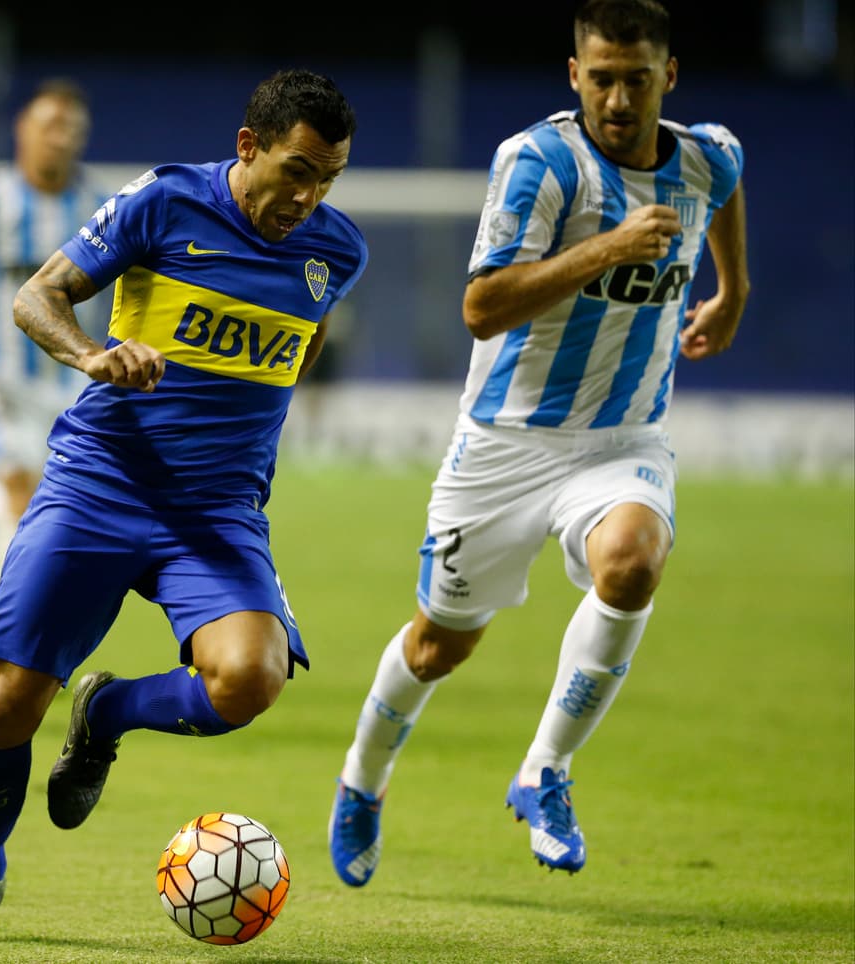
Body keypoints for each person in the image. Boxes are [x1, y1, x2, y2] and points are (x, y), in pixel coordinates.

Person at [0, 67, 367, 944]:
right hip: (103, 482)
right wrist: (94, 357)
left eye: (328, 179)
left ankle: (108, 714)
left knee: (250, 679)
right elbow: (34, 297)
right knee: (11, 701)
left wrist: (241, 440)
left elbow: (298, 351)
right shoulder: (164, 202)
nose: (308, 197)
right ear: (250, 149)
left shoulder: (336, 252)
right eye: (296, 171)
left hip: (216, 510)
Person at [328, 0, 749, 885]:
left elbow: (726, 184)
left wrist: (733, 287)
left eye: (638, 79)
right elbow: (481, 308)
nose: (619, 98)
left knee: (633, 562)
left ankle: (545, 770)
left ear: (668, 78)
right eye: (602, 77)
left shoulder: (708, 155)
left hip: (623, 438)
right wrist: (606, 249)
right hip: (504, 447)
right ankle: (362, 780)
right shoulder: (539, 162)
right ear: (574, 75)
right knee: (440, 644)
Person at [0, 77, 114, 584]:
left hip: (72, 386)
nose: (60, 137)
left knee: (56, 515)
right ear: (24, 130)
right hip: (1, 381)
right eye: (50, 125)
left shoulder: (102, 206)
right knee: (18, 496)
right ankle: (9, 640)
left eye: (72, 129)